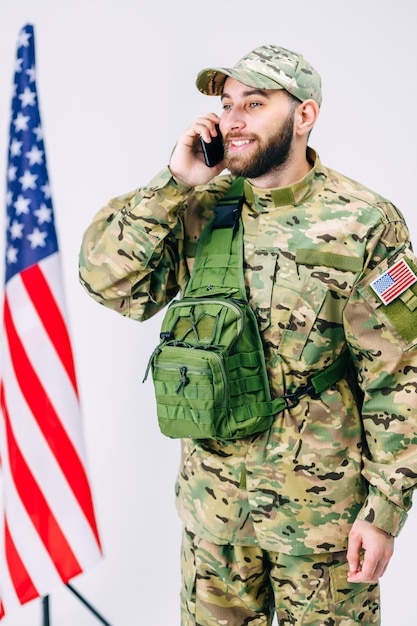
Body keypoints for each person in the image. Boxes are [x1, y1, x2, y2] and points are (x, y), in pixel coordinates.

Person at [79, 45, 417, 625]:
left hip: (321, 523)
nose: (232, 119)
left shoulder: (363, 221)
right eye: (227, 103)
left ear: (304, 115)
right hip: (215, 517)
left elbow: (400, 374)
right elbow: (106, 282)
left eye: (254, 104)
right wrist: (175, 181)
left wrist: (385, 510)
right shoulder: (202, 208)